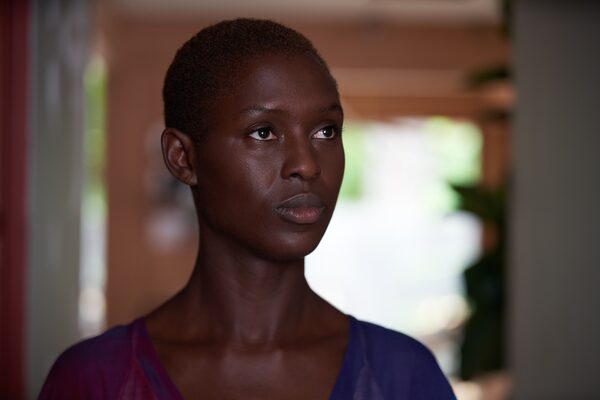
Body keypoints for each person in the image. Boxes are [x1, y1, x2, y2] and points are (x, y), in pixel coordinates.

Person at [39, 19, 456, 399]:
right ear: (183, 158)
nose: (307, 164)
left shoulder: (403, 376)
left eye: (326, 131)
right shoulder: (94, 379)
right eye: (263, 132)